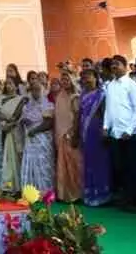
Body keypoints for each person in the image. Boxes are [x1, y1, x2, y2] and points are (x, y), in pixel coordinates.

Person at [103, 54, 136, 213]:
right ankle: (128, 199)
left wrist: (129, 130)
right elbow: (108, 109)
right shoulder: (110, 86)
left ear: (125, 66)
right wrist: (105, 126)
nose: (114, 67)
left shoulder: (132, 84)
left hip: (131, 134)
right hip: (116, 134)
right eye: (112, 64)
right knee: (121, 168)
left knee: (135, 168)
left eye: (117, 64)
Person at [77, 66, 111, 207]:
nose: (86, 79)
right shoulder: (83, 96)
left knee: (100, 162)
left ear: (96, 78)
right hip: (85, 132)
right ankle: (90, 193)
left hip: (97, 131)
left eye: (89, 76)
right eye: (84, 77)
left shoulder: (102, 94)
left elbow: (106, 113)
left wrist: (105, 130)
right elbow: (79, 115)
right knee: (88, 162)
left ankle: (102, 195)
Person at [19, 77, 55, 194]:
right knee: (31, 162)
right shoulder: (27, 106)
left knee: (43, 163)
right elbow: (22, 120)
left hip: (42, 138)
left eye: (38, 89)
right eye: (33, 90)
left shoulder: (48, 105)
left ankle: (46, 191)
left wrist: (35, 130)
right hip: (30, 138)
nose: (35, 92)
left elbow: (48, 123)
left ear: (43, 90)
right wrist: (24, 121)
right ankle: (32, 192)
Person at [54, 71, 82, 202]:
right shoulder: (59, 96)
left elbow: (77, 117)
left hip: (71, 134)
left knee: (74, 164)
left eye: (67, 79)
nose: (64, 82)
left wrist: (74, 133)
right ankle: (65, 194)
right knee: (63, 165)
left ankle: (77, 193)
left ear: (72, 81)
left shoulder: (75, 97)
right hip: (61, 135)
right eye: (62, 80)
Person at [0, 76, 26, 189]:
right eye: (7, 84)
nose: (8, 86)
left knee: (18, 156)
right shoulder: (2, 98)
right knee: (8, 157)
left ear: (16, 86)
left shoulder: (21, 99)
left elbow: (19, 116)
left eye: (11, 83)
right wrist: (7, 120)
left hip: (17, 131)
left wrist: (12, 123)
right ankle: (10, 185)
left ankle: (20, 185)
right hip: (5, 130)